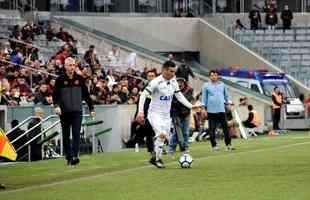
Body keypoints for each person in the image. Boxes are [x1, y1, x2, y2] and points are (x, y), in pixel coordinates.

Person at [136, 60, 194, 169]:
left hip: (166, 115)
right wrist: (140, 112)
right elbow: (143, 95)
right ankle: (158, 159)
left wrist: (191, 106)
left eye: (174, 71)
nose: (173, 74)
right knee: (161, 134)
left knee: (163, 138)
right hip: (154, 114)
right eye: (171, 71)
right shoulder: (155, 82)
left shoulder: (173, 81)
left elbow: (179, 96)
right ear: (164, 70)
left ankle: (154, 158)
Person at [53, 57, 95, 166]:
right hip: (64, 112)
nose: (71, 67)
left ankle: (75, 156)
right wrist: (56, 106)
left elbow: (86, 94)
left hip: (77, 111)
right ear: (65, 66)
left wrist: (91, 108)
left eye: (73, 65)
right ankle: (69, 156)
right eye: (69, 65)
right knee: (66, 135)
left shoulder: (80, 79)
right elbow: (55, 95)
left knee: (76, 133)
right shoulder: (60, 79)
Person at [201, 70, 234, 151]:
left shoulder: (222, 85)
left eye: (215, 75)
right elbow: (204, 98)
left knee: (226, 129)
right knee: (212, 130)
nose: (213, 77)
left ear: (218, 76)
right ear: (209, 77)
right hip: (211, 111)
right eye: (211, 75)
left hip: (221, 110)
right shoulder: (206, 85)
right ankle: (214, 146)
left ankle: (228, 145)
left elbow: (226, 96)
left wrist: (228, 104)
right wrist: (203, 109)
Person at [131, 69, 157, 154]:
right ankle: (149, 147)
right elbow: (140, 102)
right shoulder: (144, 88)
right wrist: (138, 113)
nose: (151, 78)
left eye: (152, 76)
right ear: (147, 77)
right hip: (146, 112)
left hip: (156, 112)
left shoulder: (158, 87)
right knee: (148, 129)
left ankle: (139, 141)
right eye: (149, 76)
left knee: (153, 130)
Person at [169, 77, 193, 154]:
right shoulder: (172, 91)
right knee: (177, 132)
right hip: (176, 113)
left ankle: (185, 147)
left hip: (186, 113)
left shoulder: (189, 90)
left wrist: (178, 100)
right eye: (178, 82)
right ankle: (171, 147)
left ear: (184, 83)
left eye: (181, 82)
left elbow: (186, 100)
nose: (180, 84)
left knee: (185, 131)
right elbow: (174, 102)